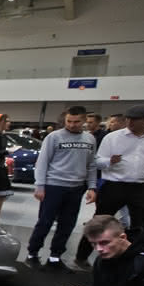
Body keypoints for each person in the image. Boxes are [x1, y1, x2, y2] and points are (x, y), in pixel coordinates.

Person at [74, 105, 144, 266]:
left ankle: (133, 261)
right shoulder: (112, 137)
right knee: (99, 223)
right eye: (128, 118)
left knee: (141, 228)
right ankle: (81, 257)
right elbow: (97, 161)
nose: (130, 122)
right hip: (114, 185)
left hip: (142, 187)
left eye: (135, 120)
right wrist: (109, 161)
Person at [25, 107, 98, 268]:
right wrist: (40, 186)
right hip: (54, 186)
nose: (72, 125)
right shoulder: (53, 137)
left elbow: (91, 165)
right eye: (69, 121)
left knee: (67, 224)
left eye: (76, 121)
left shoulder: (90, 139)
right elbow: (42, 162)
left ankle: (55, 256)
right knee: (45, 222)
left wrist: (92, 187)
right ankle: (32, 253)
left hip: (76, 188)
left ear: (84, 121)